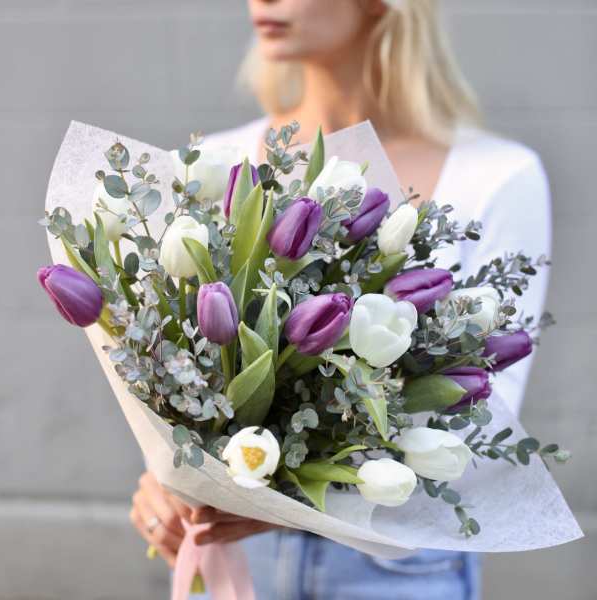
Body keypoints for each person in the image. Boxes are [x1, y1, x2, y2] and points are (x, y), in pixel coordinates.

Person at [130, 1, 551, 597]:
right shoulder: (218, 166)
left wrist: (294, 497)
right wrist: (169, 482)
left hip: (390, 570)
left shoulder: (494, 176)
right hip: (234, 555)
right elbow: (176, 360)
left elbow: (484, 416)